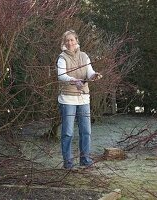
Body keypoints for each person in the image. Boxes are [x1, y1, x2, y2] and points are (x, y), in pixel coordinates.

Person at [56, 30, 102, 169]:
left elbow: (90, 72)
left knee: (86, 131)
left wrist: (94, 76)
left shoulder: (84, 56)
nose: (70, 43)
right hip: (67, 99)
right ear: (64, 42)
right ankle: (68, 163)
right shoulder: (62, 58)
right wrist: (73, 80)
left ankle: (85, 160)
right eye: (67, 40)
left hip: (83, 99)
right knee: (68, 133)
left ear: (76, 41)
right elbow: (61, 75)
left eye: (72, 40)